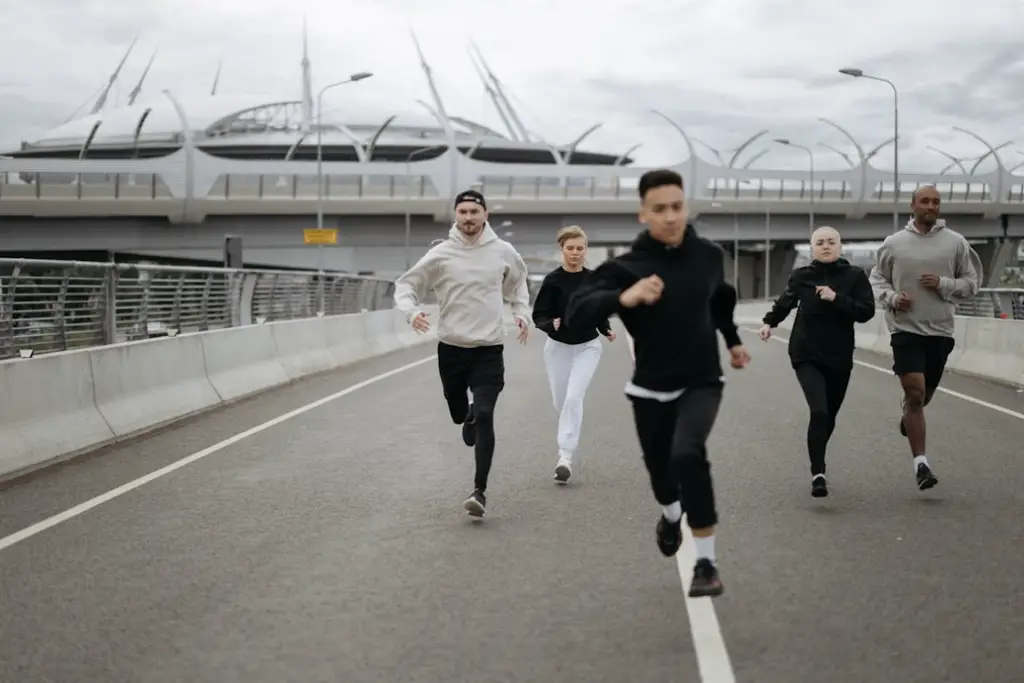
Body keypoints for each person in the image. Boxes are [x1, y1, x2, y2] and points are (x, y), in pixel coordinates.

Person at [565, 168, 750, 598]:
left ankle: (706, 562)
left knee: (689, 453)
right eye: (660, 209)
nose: (671, 217)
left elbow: (720, 299)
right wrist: (622, 299)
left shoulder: (708, 256)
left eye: (678, 207)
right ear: (643, 214)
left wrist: (734, 342)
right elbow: (578, 309)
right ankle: (670, 517)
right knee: (662, 478)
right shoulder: (626, 267)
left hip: (702, 379)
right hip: (649, 386)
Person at [394, 188, 531, 518]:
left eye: (474, 211)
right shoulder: (441, 254)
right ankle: (465, 414)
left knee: (485, 415)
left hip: (488, 349)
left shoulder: (503, 251)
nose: (469, 218)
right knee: (460, 414)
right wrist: (411, 312)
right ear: (456, 216)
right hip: (452, 350)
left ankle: (479, 490)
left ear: (485, 215)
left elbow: (519, 283)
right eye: (463, 212)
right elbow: (406, 285)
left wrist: (522, 313)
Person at [868, 185, 982, 490]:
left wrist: (944, 284)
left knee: (923, 396)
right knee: (915, 393)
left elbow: (972, 283)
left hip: (941, 331)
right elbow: (876, 277)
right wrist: (892, 298)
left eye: (936, 202)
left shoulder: (956, 242)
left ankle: (910, 414)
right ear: (913, 205)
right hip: (905, 330)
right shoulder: (894, 244)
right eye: (925, 201)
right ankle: (922, 465)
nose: (931, 206)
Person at [758, 226, 876, 497]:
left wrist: (837, 298)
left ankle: (818, 456)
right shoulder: (802, 276)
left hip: (839, 355)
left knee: (829, 416)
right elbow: (785, 302)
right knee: (819, 411)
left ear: (840, 246)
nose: (826, 246)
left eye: (831, 242)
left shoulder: (855, 276)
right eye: (820, 242)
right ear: (812, 248)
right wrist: (769, 323)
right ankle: (818, 472)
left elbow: (866, 312)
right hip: (805, 353)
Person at [532, 225, 616, 485]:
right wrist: (550, 324)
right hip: (557, 348)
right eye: (570, 248)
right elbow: (539, 314)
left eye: (580, 248)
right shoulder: (553, 281)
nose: (576, 253)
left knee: (573, 397)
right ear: (562, 249)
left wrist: (606, 329)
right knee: (561, 402)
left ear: (585, 250)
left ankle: (564, 457)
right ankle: (566, 440)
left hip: (587, 347)